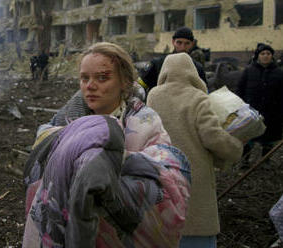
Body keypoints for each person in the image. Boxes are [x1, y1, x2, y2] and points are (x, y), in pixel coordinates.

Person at [23, 42, 191, 248]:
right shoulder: (63, 123)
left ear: (124, 82)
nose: (90, 86)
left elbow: (165, 181)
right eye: (85, 78)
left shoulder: (145, 124)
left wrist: (105, 162)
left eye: (102, 78)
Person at [147, 53, 243, 248]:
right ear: (192, 74)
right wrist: (236, 147)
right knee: (195, 231)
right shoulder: (198, 98)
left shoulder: (153, 96)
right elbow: (213, 137)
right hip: (193, 179)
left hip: (161, 173)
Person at [237, 43, 283, 160]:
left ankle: (265, 160)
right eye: (263, 54)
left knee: (269, 137)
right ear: (258, 56)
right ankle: (245, 160)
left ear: (272, 56)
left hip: (272, 112)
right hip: (252, 110)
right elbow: (240, 89)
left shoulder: (279, 73)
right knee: (248, 136)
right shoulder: (249, 71)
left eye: (268, 54)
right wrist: (240, 105)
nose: (265, 56)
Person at [138, 26, 207, 93]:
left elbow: (204, 92)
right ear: (173, 42)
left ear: (192, 44)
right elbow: (140, 87)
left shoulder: (197, 68)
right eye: (179, 43)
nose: (182, 47)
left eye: (187, 43)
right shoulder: (157, 64)